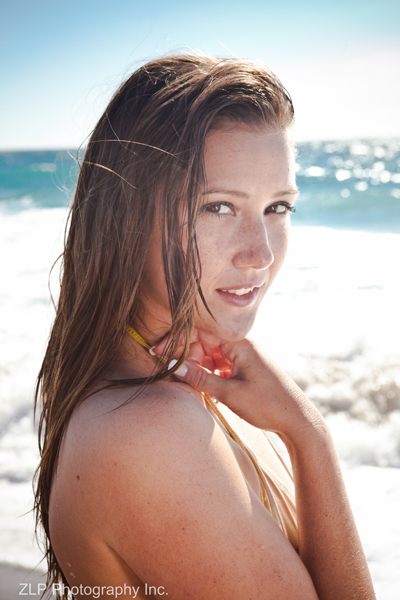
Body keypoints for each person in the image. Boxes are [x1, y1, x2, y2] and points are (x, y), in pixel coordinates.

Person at [34, 54, 376, 600]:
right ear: (127, 216)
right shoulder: (147, 433)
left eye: (278, 207)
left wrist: (300, 429)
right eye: (218, 207)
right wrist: (311, 437)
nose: (260, 253)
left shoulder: (173, 386)